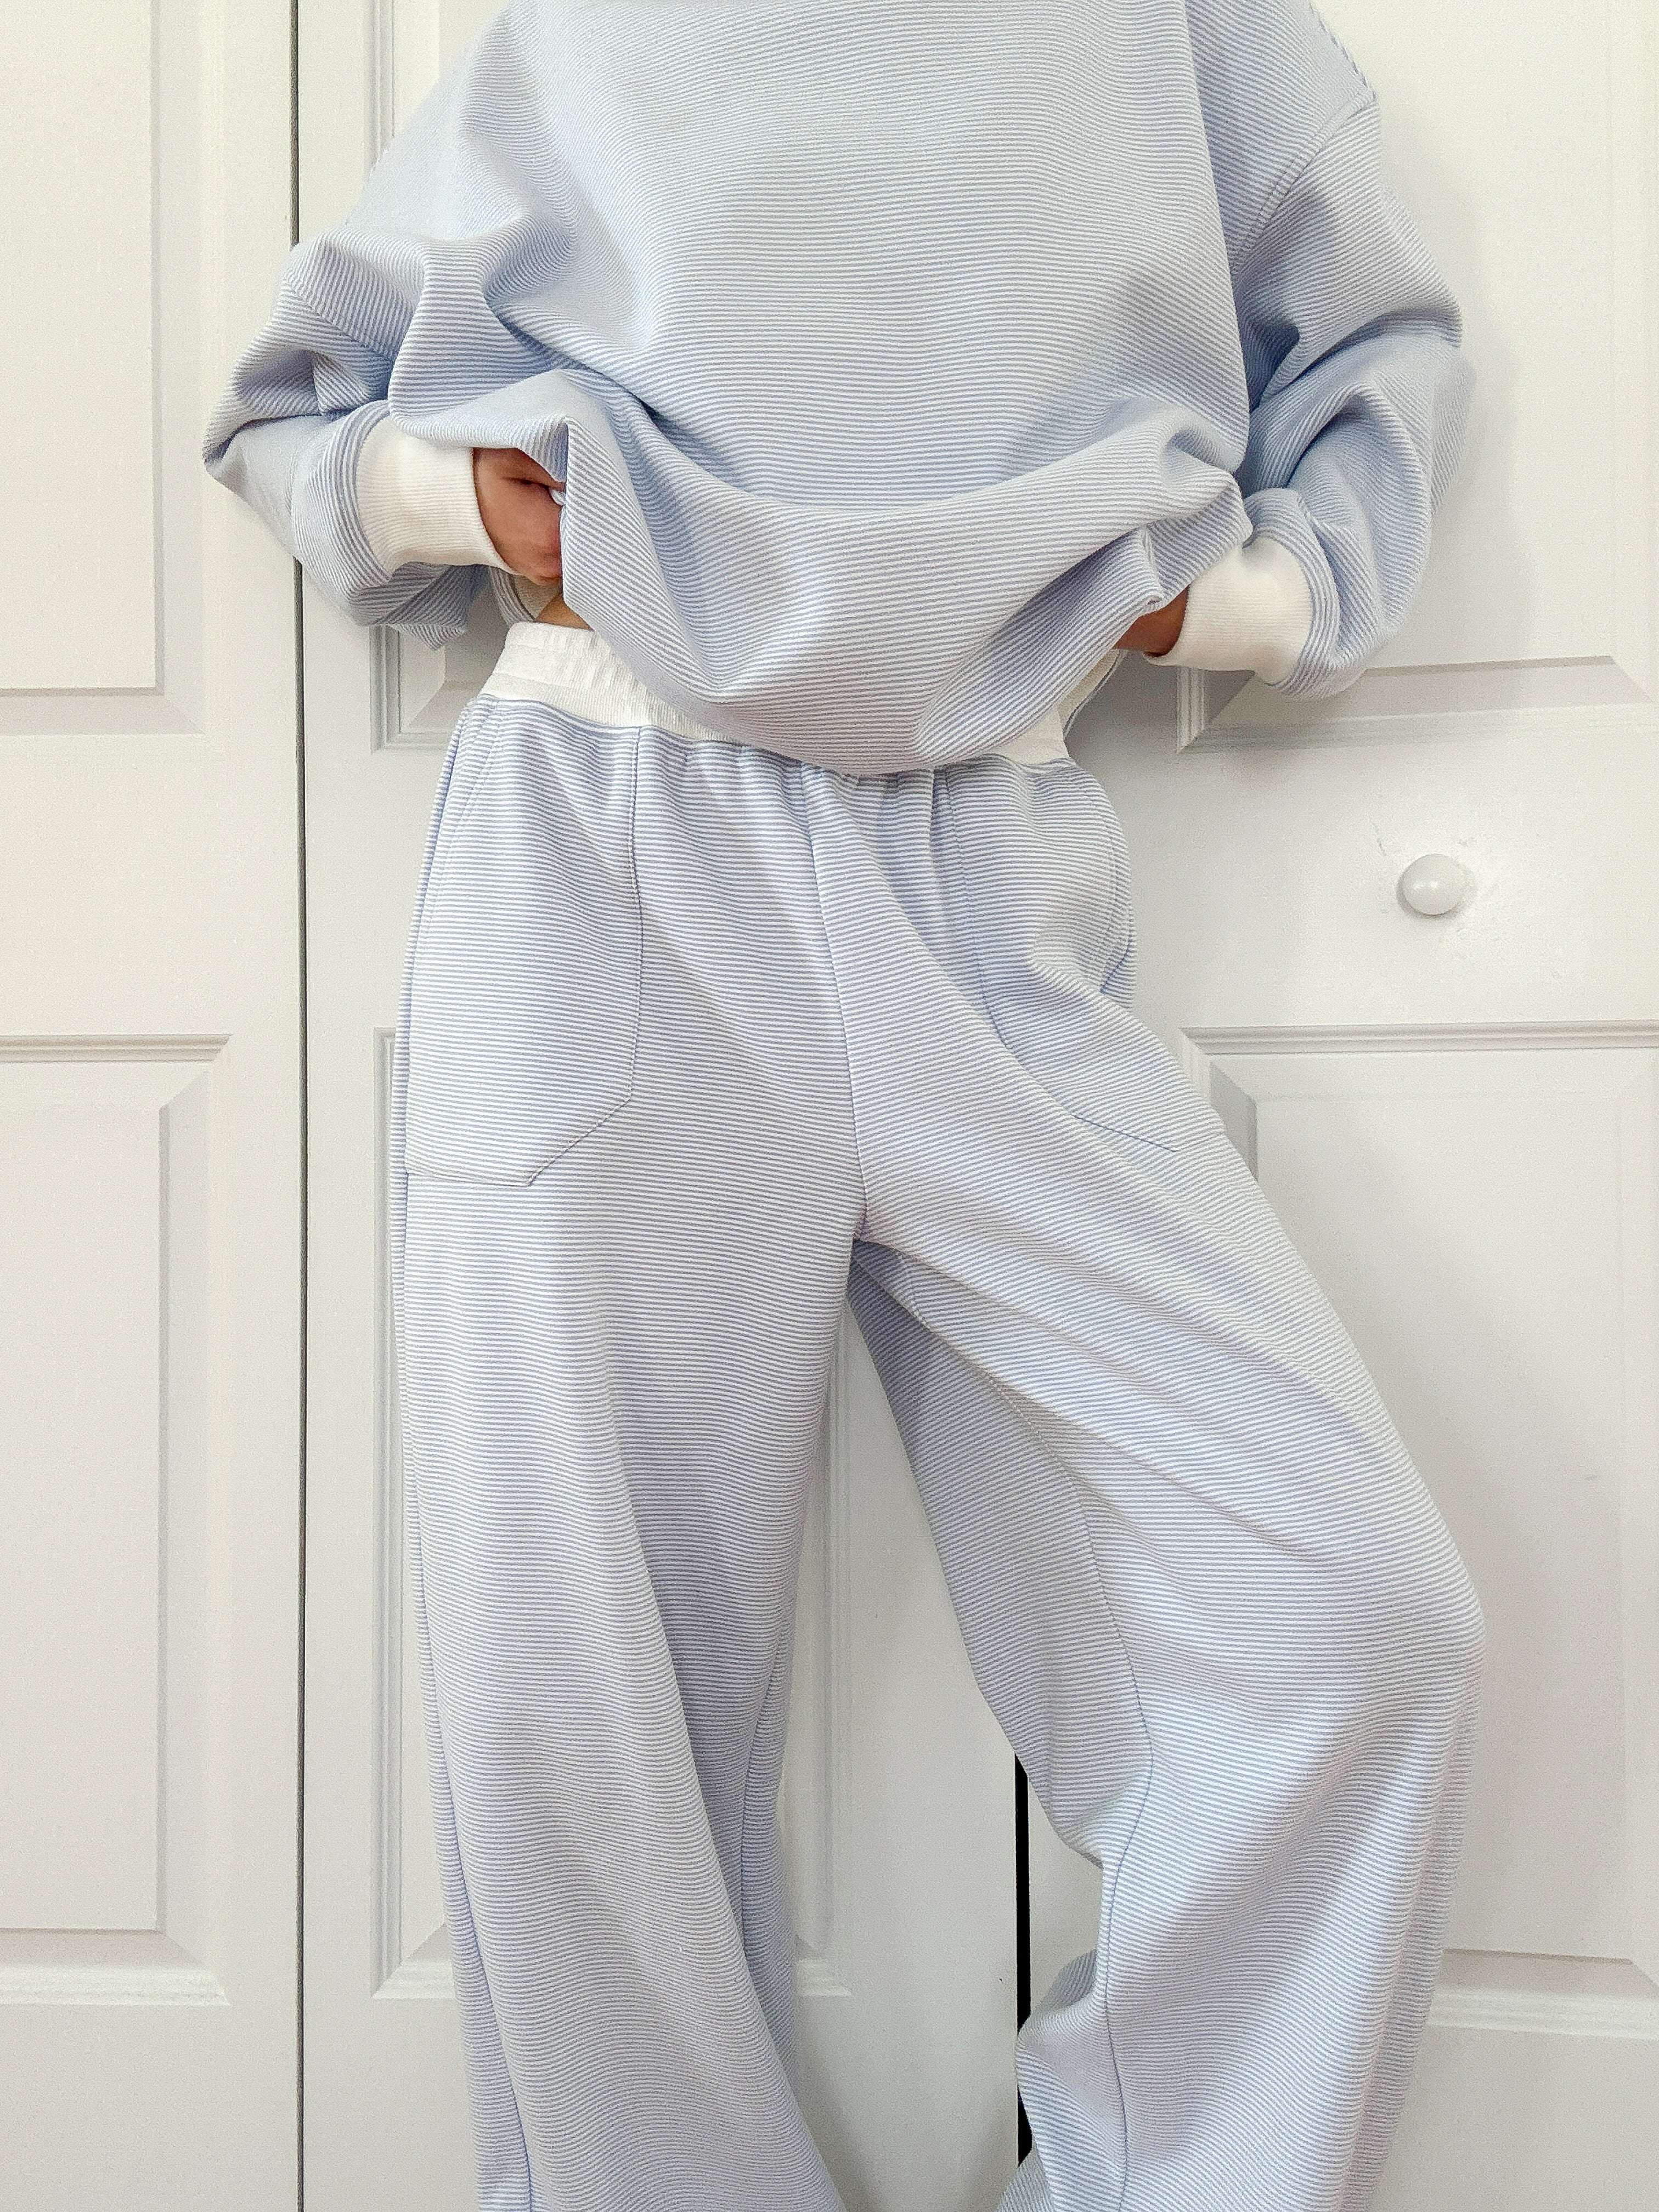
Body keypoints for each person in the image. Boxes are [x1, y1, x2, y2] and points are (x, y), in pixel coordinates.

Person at [201, 4, 1484, 2208]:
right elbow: (290, 409)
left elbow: (1366, 342)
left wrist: (1228, 604)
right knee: (569, 1684)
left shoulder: (1180, 29)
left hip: (989, 857)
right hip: (608, 831)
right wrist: (453, 492)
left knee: (1350, 1611)